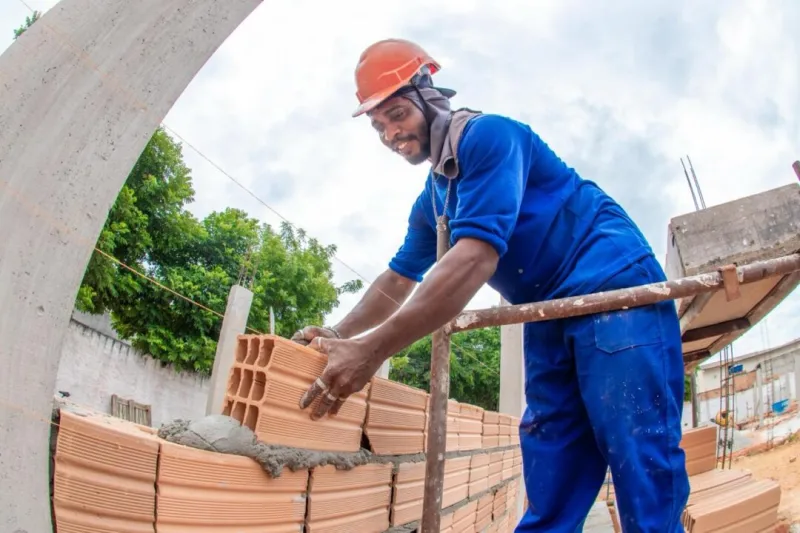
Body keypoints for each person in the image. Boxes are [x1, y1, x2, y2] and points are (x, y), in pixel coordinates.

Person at [292, 38, 689, 532]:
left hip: (610, 287)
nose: (391, 134)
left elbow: (475, 258)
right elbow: (398, 277)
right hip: (545, 310)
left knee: (637, 451)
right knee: (553, 461)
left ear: (429, 95)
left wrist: (371, 352)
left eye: (397, 114)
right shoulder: (436, 197)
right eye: (378, 126)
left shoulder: (490, 137)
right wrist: (340, 334)